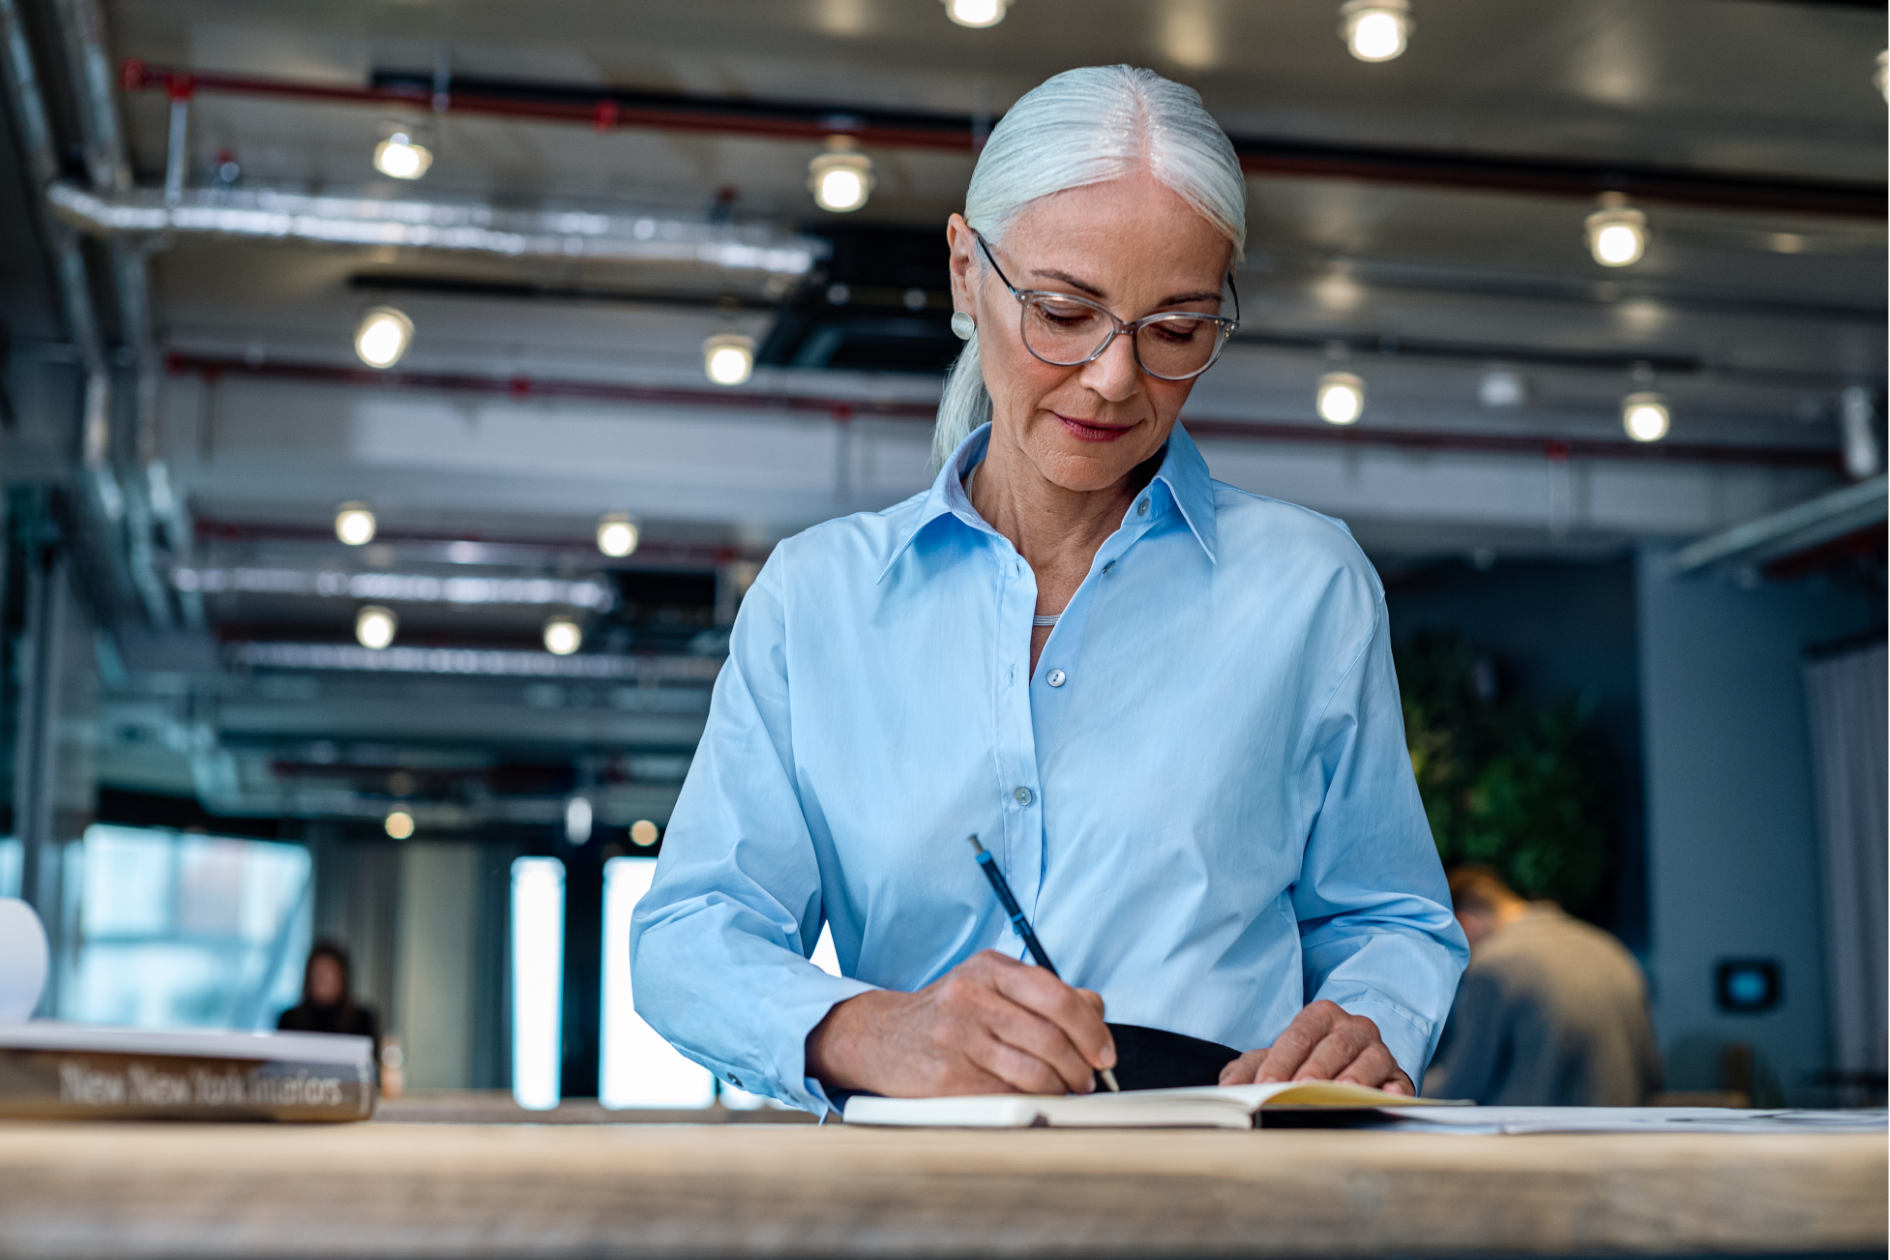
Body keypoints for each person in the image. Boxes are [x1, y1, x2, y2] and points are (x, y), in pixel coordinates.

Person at [631, 64, 1466, 1116]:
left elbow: (1391, 917)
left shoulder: (1309, 588)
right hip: (917, 1195)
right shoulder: (818, 599)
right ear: (964, 275)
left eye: (1176, 330)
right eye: (1065, 313)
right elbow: (691, 933)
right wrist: (871, 1030)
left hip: (1231, 1194)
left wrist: (1369, 1021)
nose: (1116, 378)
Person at [1426, 866, 1659, 1106]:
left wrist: (1397, 1090)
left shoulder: (1495, 962)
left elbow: (1460, 1085)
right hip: (1629, 1133)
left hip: (1545, 1138)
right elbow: (1651, 1070)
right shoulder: (1611, 949)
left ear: (1464, 924)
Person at [277, 939, 381, 1065]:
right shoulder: (290, 1019)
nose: (323, 980)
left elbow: (372, 1066)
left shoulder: (361, 1019)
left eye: (328, 974)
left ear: (342, 978)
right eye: (318, 974)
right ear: (308, 978)